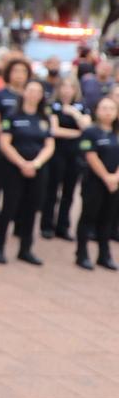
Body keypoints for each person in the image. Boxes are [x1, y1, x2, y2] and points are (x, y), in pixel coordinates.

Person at [0, 79, 54, 265]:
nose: (34, 94)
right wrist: (22, 163)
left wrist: (35, 164)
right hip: (13, 168)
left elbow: (49, 144)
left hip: (37, 169)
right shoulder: (12, 116)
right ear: (24, 92)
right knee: (9, 207)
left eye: (38, 91)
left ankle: (25, 248)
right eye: (31, 90)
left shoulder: (44, 118)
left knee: (32, 208)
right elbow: (4, 143)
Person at [0, 58, 30, 237]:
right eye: (16, 71)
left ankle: (16, 222)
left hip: (22, 148)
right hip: (1, 148)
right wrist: (4, 138)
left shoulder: (29, 95)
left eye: (23, 72)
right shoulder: (1, 95)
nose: (19, 75)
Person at [77, 95, 119, 271]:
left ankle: (104, 254)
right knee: (88, 217)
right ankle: (82, 253)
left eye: (111, 108)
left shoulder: (116, 133)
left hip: (115, 184)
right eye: (104, 108)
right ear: (97, 111)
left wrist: (115, 177)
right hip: (94, 181)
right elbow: (91, 156)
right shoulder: (90, 132)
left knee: (108, 219)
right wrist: (106, 177)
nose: (108, 112)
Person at [47, 77, 88, 240]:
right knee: (52, 191)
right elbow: (54, 130)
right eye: (63, 86)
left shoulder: (81, 107)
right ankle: (47, 224)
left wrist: (74, 113)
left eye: (70, 87)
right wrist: (77, 133)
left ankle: (63, 226)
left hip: (75, 155)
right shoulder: (53, 106)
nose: (66, 90)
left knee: (69, 192)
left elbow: (87, 126)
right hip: (57, 153)